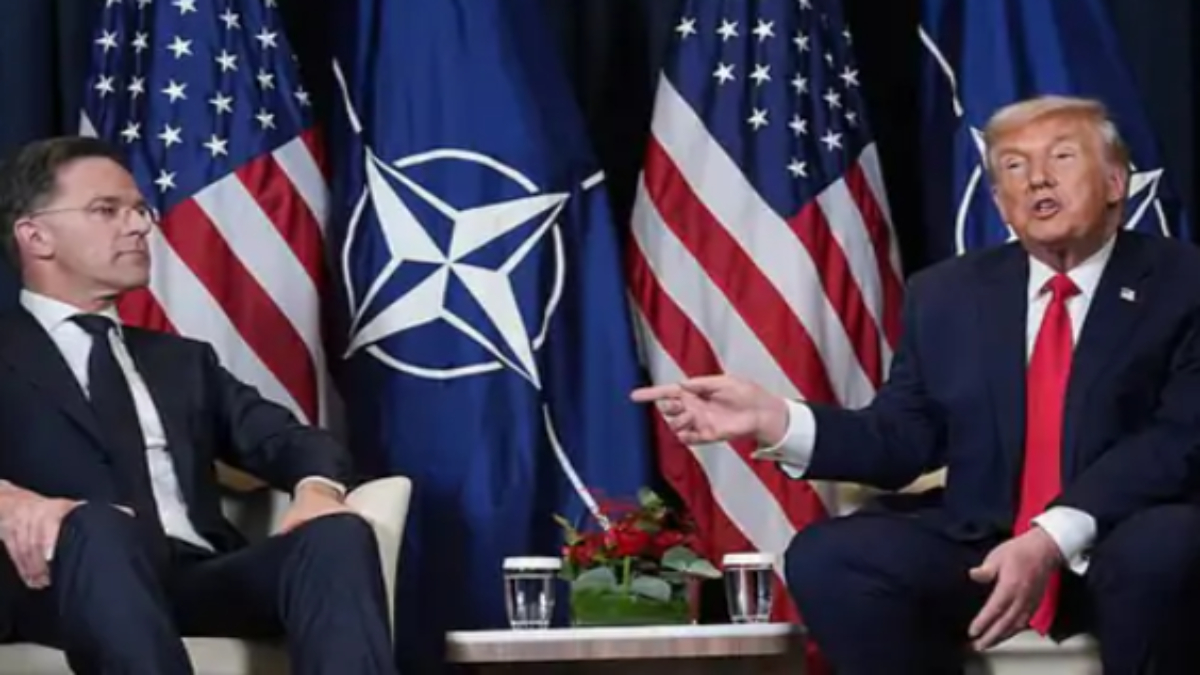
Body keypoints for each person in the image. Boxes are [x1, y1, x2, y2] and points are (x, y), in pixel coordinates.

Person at [633, 95, 1200, 675]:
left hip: (1126, 538)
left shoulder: (1185, 283)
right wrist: (775, 419)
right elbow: (902, 439)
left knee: (1168, 546)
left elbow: (1176, 441)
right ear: (999, 201)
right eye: (1013, 166)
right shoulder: (948, 294)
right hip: (987, 545)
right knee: (831, 555)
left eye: (1061, 156)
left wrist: (1049, 539)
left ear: (1115, 182)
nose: (1037, 179)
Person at [0, 136, 396, 674]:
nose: (139, 226)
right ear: (36, 236)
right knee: (98, 526)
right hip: (61, 583)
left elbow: (290, 439)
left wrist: (317, 490)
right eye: (107, 210)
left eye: (139, 209)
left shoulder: (182, 361)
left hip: (195, 575)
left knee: (335, 536)